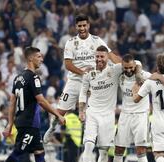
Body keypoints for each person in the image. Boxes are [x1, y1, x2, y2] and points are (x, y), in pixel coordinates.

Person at [0, 47, 71, 162]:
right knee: (17, 152)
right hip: (28, 124)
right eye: (39, 57)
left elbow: (12, 102)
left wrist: (10, 123)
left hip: (27, 123)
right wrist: (57, 115)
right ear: (30, 59)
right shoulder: (34, 78)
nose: (41, 59)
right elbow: (40, 100)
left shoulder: (18, 78)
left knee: (39, 155)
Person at [43, 15, 121, 143]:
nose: (82, 28)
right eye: (80, 26)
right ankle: (51, 129)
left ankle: (93, 139)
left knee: (92, 113)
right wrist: (82, 73)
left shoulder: (97, 41)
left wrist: (124, 66)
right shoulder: (71, 42)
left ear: (88, 25)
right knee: (60, 111)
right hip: (74, 81)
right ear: (76, 27)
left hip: (92, 82)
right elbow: (68, 65)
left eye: (84, 25)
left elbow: (111, 56)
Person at [78, 45, 123, 162]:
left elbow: (133, 63)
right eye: (97, 56)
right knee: (89, 146)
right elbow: (83, 93)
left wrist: (112, 55)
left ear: (107, 57)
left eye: (102, 56)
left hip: (108, 116)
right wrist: (81, 111)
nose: (99, 59)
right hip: (92, 113)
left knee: (104, 151)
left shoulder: (115, 70)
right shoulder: (88, 73)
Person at [107, 54, 151, 162]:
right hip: (125, 115)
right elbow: (114, 63)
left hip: (141, 115)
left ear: (135, 66)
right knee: (118, 150)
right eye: (126, 68)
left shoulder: (143, 75)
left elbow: (155, 77)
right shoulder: (120, 74)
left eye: (131, 67)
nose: (129, 70)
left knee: (140, 150)